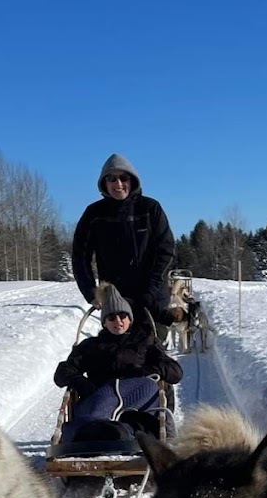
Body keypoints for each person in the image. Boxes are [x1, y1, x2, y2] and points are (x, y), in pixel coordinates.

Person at [53, 285, 181, 448]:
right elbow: (62, 372)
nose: (118, 321)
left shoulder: (146, 342)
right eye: (111, 318)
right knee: (96, 414)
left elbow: (175, 372)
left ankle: (119, 433)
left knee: (149, 389)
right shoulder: (92, 346)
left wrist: (146, 371)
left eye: (122, 316)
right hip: (99, 402)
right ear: (104, 322)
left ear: (130, 318)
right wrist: (82, 383)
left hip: (138, 405)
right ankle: (110, 432)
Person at [71, 154, 176, 325]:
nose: (118, 184)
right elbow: (80, 256)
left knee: (152, 348)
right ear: (104, 183)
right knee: (117, 350)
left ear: (132, 180)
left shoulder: (150, 208)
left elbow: (167, 251)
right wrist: (91, 292)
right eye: (111, 178)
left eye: (123, 178)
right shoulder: (94, 214)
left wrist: (150, 290)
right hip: (115, 302)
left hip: (152, 299)